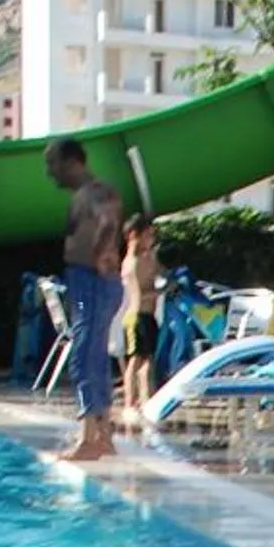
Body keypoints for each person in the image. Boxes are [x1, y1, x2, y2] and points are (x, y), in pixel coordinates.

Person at [45, 138, 125, 463]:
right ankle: (103, 435)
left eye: (53, 164)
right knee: (95, 357)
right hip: (90, 280)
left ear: (71, 162)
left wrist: (100, 254)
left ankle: (89, 439)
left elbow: (108, 221)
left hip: (93, 280)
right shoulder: (90, 193)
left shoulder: (96, 191)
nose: (50, 173)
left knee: (83, 358)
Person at [118, 215, 162, 430]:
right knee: (135, 361)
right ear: (134, 236)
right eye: (148, 235)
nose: (151, 239)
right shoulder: (130, 264)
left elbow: (159, 274)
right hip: (136, 316)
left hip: (148, 316)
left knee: (148, 361)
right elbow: (137, 297)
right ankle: (129, 404)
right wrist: (159, 291)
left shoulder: (149, 259)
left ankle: (146, 402)